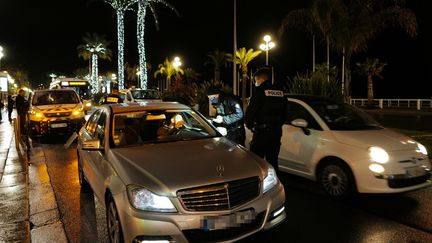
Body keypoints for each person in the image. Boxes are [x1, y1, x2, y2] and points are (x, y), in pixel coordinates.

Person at [245, 67, 287, 173]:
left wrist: (250, 125)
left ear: (260, 79)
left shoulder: (259, 92)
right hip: (276, 133)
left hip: (262, 133)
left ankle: (258, 187)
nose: (255, 83)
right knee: (273, 162)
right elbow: (285, 113)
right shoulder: (281, 92)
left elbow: (251, 112)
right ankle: (274, 185)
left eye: (255, 80)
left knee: (256, 163)